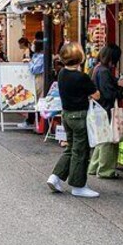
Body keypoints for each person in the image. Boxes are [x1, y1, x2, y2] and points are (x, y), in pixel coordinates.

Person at [47, 42, 101, 198]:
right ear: (81, 58)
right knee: (80, 151)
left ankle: (55, 176)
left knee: (71, 148)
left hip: (66, 115)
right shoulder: (81, 77)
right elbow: (96, 94)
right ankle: (78, 186)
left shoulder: (62, 73)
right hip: (79, 116)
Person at [88, 43, 123, 180]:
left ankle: (94, 167)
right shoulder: (104, 71)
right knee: (109, 140)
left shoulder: (96, 68)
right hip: (106, 109)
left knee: (102, 139)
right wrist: (120, 88)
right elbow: (109, 94)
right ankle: (106, 170)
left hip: (98, 109)